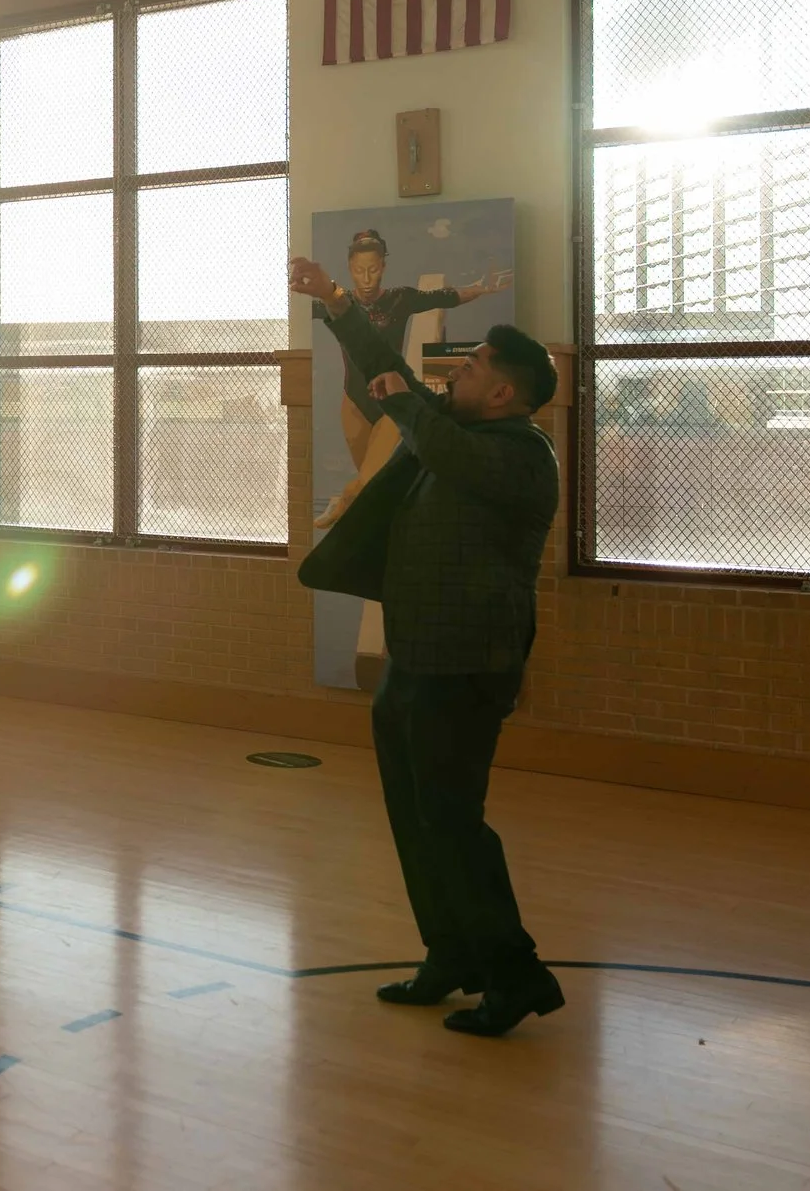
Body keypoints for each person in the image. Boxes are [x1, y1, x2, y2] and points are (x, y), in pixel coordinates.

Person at [288, 255, 564, 1037]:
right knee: (416, 818)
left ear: (504, 392)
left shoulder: (519, 456)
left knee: (453, 821)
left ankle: (516, 974)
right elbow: (390, 377)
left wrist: (410, 404)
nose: (459, 370)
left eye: (473, 365)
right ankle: (449, 954)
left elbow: (429, 430)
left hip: (467, 669)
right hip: (415, 660)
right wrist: (336, 300)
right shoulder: (451, 425)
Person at [310, 228, 511, 529]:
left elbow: (446, 296)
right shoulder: (338, 301)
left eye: (373, 270)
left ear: (384, 268)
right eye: (358, 271)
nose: (366, 279)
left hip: (389, 402)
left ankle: (344, 499)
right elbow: (300, 303)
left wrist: (479, 289)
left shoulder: (399, 298)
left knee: (366, 480)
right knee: (376, 484)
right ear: (349, 269)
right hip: (353, 403)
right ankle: (384, 534)